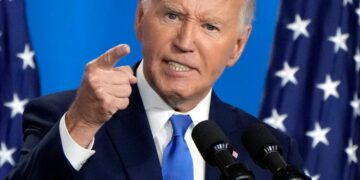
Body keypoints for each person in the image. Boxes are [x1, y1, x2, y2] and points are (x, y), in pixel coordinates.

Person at [7, 0, 304, 179]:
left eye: (210, 27)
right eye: (172, 15)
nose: (185, 42)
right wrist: (83, 122)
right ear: (140, 18)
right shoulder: (66, 118)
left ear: (237, 46)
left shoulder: (271, 154)